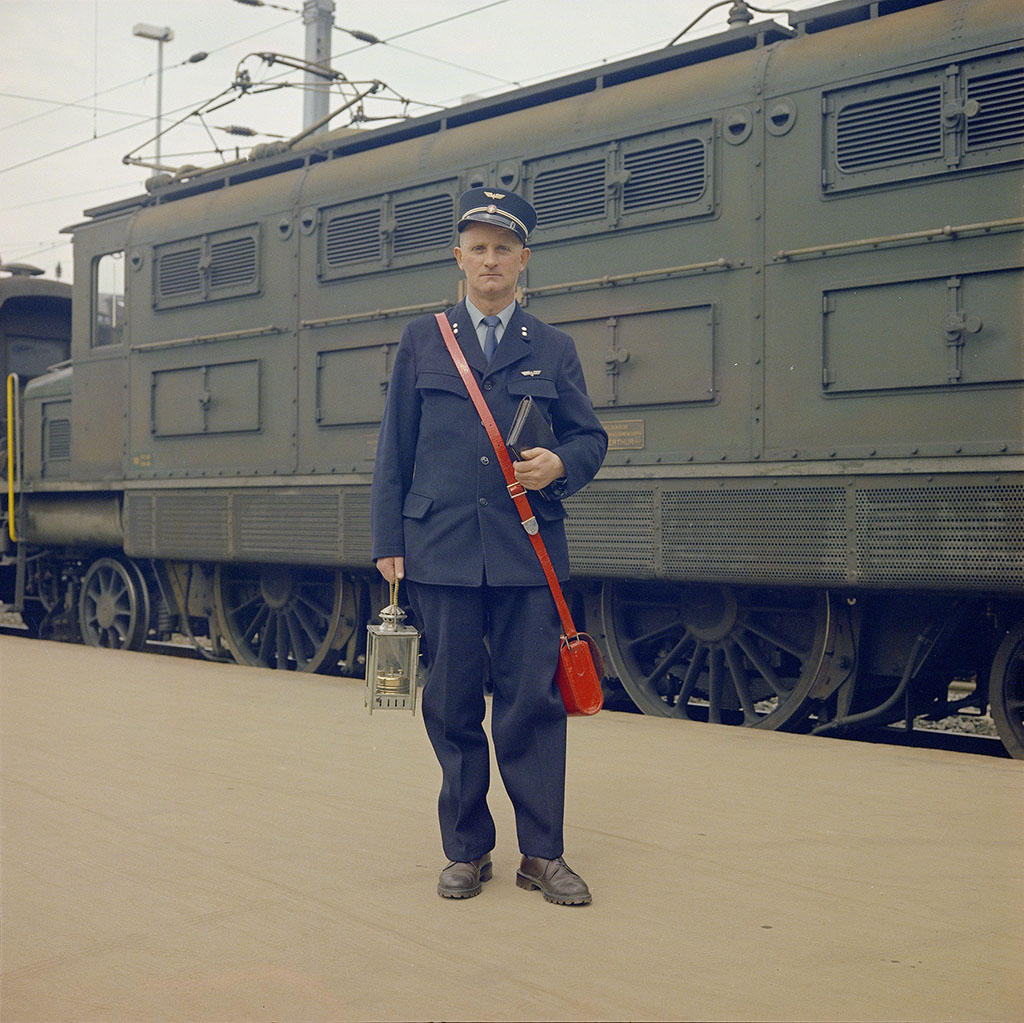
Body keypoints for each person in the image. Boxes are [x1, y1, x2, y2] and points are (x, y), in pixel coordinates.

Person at [370, 186, 607, 905]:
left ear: (523, 259)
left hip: (526, 555)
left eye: (504, 247)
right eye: (478, 247)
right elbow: (394, 446)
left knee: (530, 704)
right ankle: (467, 851)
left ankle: (543, 853)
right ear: (459, 257)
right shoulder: (423, 339)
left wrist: (560, 464)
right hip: (439, 548)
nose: (491, 260)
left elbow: (589, 437)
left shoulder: (554, 347)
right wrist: (388, 540)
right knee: (449, 704)